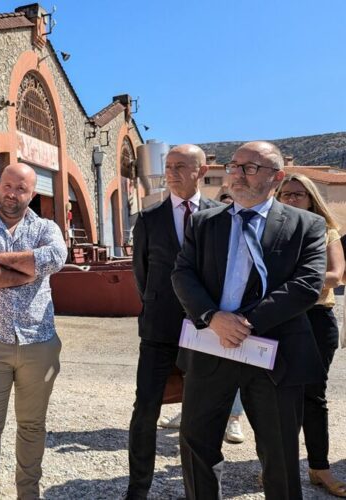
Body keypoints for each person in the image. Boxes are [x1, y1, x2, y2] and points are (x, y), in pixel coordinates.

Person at [172, 141, 327, 499]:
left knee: (280, 454)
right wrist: (213, 318)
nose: (237, 174)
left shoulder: (307, 225)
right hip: (211, 349)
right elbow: (183, 275)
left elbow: (307, 285)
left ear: (277, 176)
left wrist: (245, 324)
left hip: (274, 355)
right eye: (235, 165)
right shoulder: (203, 222)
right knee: (197, 446)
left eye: (250, 168)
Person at [0, 162, 67, 500]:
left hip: (38, 343)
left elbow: (56, 257)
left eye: (21, 188)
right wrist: (28, 269)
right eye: (8, 185)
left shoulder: (46, 228)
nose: (12, 193)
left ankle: (29, 495)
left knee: (32, 426)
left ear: (32, 193)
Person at [126, 144, 219, 499]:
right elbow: (142, 275)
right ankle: (138, 488)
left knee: (202, 413)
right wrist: (156, 308)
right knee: (146, 408)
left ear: (201, 169)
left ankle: (199, 488)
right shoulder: (149, 219)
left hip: (207, 330)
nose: (172, 172)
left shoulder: (221, 215)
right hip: (159, 329)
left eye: (181, 166)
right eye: (168, 166)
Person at [276, 173, 346, 497]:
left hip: (316, 320)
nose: (291, 200)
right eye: (286, 194)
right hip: (279, 320)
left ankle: (320, 467)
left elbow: (335, 274)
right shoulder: (270, 233)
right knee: (279, 398)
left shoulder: (326, 230)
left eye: (298, 194)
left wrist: (294, 285)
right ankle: (280, 468)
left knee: (313, 397)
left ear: (311, 198)